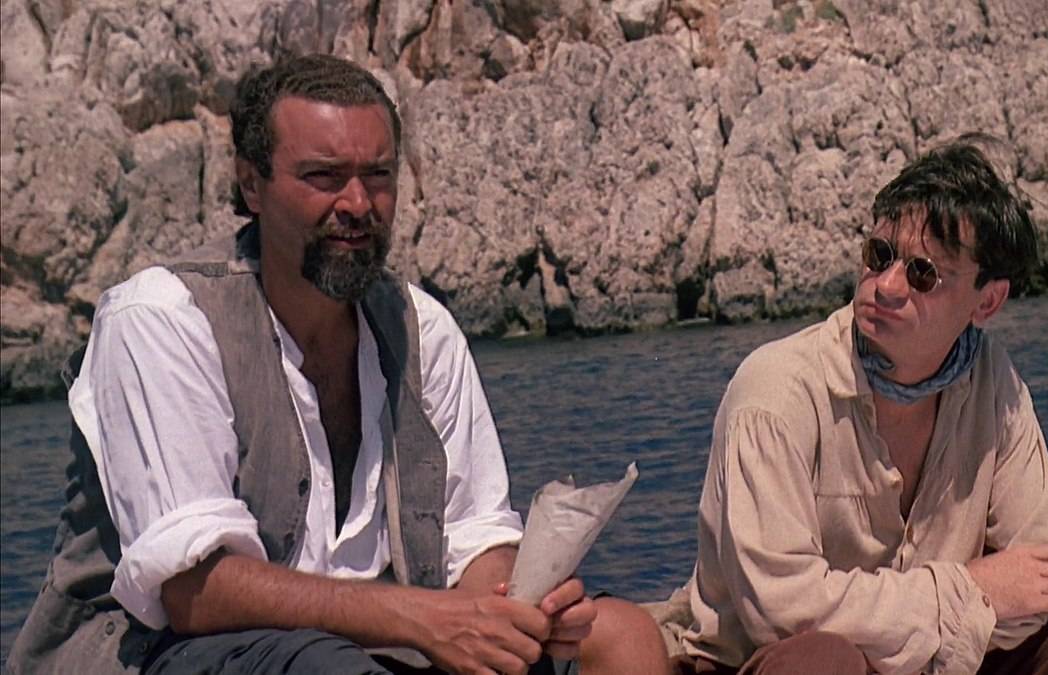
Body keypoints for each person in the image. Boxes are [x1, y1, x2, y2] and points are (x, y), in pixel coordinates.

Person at [9, 54, 668, 675]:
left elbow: (475, 535)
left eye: (377, 175)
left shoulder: (421, 328)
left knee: (622, 635)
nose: (357, 203)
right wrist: (425, 619)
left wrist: (511, 609)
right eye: (324, 177)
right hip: (167, 651)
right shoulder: (162, 319)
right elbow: (196, 591)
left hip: (378, 638)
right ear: (252, 183)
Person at [669, 139, 1048, 674]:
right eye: (879, 256)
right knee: (824, 658)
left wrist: (920, 623)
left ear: (987, 301)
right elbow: (782, 614)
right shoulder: (775, 393)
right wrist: (972, 591)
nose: (887, 285)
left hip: (946, 664)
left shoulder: (992, 382)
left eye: (923, 274)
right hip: (769, 666)